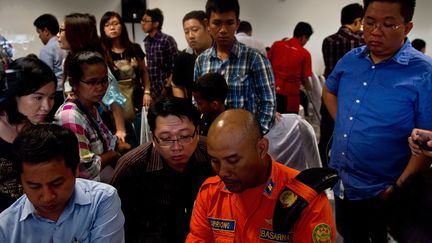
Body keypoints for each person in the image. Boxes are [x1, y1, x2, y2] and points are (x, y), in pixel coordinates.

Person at [322, 0, 432, 241]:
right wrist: (343, 122)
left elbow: (426, 145)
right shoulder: (352, 58)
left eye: (388, 24)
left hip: (384, 190)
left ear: (407, 27)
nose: (375, 31)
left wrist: (397, 188)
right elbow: (329, 90)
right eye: (369, 23)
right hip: (344, 183)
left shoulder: (423, 72)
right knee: (349, 235)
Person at [186, 109, 336, 242]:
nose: (222, 172)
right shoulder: (210, 194)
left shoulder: (306, 199)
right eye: (215, 161)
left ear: (261, 148)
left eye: (233, 160)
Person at [111, 96, 214, 242]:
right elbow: (117, 223)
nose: (177, 147)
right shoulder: (132, 167)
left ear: (197, 132)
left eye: (184, 136)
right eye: (166, 139)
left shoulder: (214, 155)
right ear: (153, 138)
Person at [0, 124, 125, 242]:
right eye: (34, 186)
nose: (48, 197)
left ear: (76, 169)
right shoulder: (6, 228)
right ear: (21, 181)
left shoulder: (101, 200)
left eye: (56, 183)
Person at [195, 0, 276, 134]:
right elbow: (197, 100)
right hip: (211, 138)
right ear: (207, 24)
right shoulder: (201, 61)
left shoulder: (255, 59)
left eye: (229, 23)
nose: (223, 30)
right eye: (217, 23)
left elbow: (268, 104)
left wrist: (255, 136)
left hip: (245, 139)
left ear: (237, 24)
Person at [57, 13, 128, 143]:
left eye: (62, 30)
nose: (58, 35)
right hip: (78, 120)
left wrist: (120, 130)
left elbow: (113, 96)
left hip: (95, 124)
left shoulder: (92, 63)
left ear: (74, 33)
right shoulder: (68, 59)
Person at [0, 55, 56, 212]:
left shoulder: (42, 129)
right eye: (38, 98)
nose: (46, 106)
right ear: (15, 94)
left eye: (51, 98)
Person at [56, 51, 120, 181]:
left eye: (104, 81)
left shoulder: (92, 106)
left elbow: (107, 142)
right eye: (92, 82)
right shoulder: (70, 116)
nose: (100, 87)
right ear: (73, 82)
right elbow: (85, 170)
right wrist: (112, 155)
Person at [319, 3, 364, 166]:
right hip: (352, 101)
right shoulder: (361, 41)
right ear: (357, 20)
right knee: (351, 139)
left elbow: (329, 70)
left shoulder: (328, 41)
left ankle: (326, 172)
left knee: (326, 139)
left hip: (329, 95)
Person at [100, 11, 152, 147]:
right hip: (114, 102)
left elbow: (144, 72)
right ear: (102, 29)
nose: (112, 27)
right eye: (107, 25)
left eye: (115, 24)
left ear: (122, 26)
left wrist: (147, 91)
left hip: (136, 97)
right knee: (123, 139)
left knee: (142, 136)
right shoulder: (102, 52)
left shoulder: (134, 48)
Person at [268, 22, 313, 114]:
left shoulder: (276, 45)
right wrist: (310, 88)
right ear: (303, 37)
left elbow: (266, 66)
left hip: (271, 91)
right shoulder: (305, 54)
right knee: (288, 125)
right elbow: (305, 79)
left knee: (271, 123)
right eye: (307, 40)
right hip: (290, 97)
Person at [172, 10, 213, 100]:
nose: (190, 36)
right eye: (186, 32)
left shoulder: (220, 51)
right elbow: (177, 85)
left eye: (195, 30)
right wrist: (182, 107)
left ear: (207, 27)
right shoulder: (183, 57)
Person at [33, 14, 67, 119]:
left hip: (55, 93)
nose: (39, 36)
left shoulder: (47, 49)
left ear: (46, 31)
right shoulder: (66, 45)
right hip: (67, 91)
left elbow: (44, 77)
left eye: (39, 32)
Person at [141, 8, 178, 98]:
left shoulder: (167, 40)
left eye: (146, 21)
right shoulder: (146, 41)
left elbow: (176, 67)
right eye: (142, 20)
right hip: (152, 91)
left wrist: (166, 88)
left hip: (166, 90)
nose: (142, 23)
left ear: (156, 23)